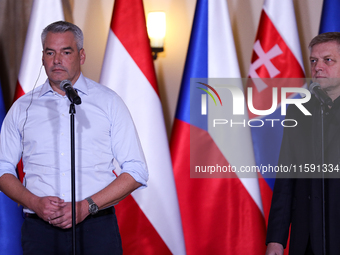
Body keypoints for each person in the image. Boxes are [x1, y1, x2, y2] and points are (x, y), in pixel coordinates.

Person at [0, 21, 148, 254]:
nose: (57, 60)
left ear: (81, 55)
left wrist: (87, 206)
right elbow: (2, 168)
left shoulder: (109, 103)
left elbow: (137, 170)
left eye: (66, 52)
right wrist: (34, 202)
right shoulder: (22, 108)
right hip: (40, 232)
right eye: (50, 52)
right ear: (42, 57)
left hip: (96, 229)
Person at [266, 32, 340, 255]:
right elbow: (285, 181)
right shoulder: (298, 112)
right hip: (306, 238)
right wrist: (276, 239)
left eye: (328, 60)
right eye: (313, 61)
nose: (318, 67)